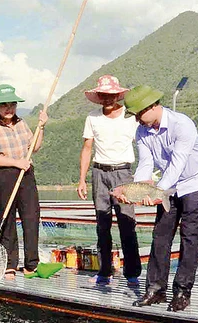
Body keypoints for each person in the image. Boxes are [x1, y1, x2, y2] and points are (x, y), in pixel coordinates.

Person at [113, 85, 198, 312]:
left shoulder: (182, 124)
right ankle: (155, 290)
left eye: (139, 114)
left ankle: (182, 291)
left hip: (196, 181)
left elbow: (178, 163)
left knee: (190, 235)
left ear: (153, 106)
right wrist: (139, 189)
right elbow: (146, 163)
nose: (138, 120)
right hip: (168, 186)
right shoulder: (142, 132)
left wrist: (158, 189)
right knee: (161, 234)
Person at [77, 75, 142, 286]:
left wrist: (143, 178)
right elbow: (87, 148)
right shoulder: (92, 117)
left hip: (123, 172)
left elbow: (143, 145)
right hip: (99, 173)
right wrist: (82, 179)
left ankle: (132, 272)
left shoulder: (130, 116)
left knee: (126, 221)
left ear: (118, 95)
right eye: (104, 95)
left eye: (111, 95)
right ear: (99, 96)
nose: (107, 99)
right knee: (102, 223)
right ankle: (105, 270)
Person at [0, 84, 48, 280]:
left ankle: (31, 264)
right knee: (7, 219)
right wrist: (15, 162)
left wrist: (41, 126)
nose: (9, 109)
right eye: (4, 105)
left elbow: (34, 147)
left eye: (12, 105)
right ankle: (9, 265)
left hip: (26, 174)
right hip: (4, 175)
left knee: (31, 217)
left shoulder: (22, 124)